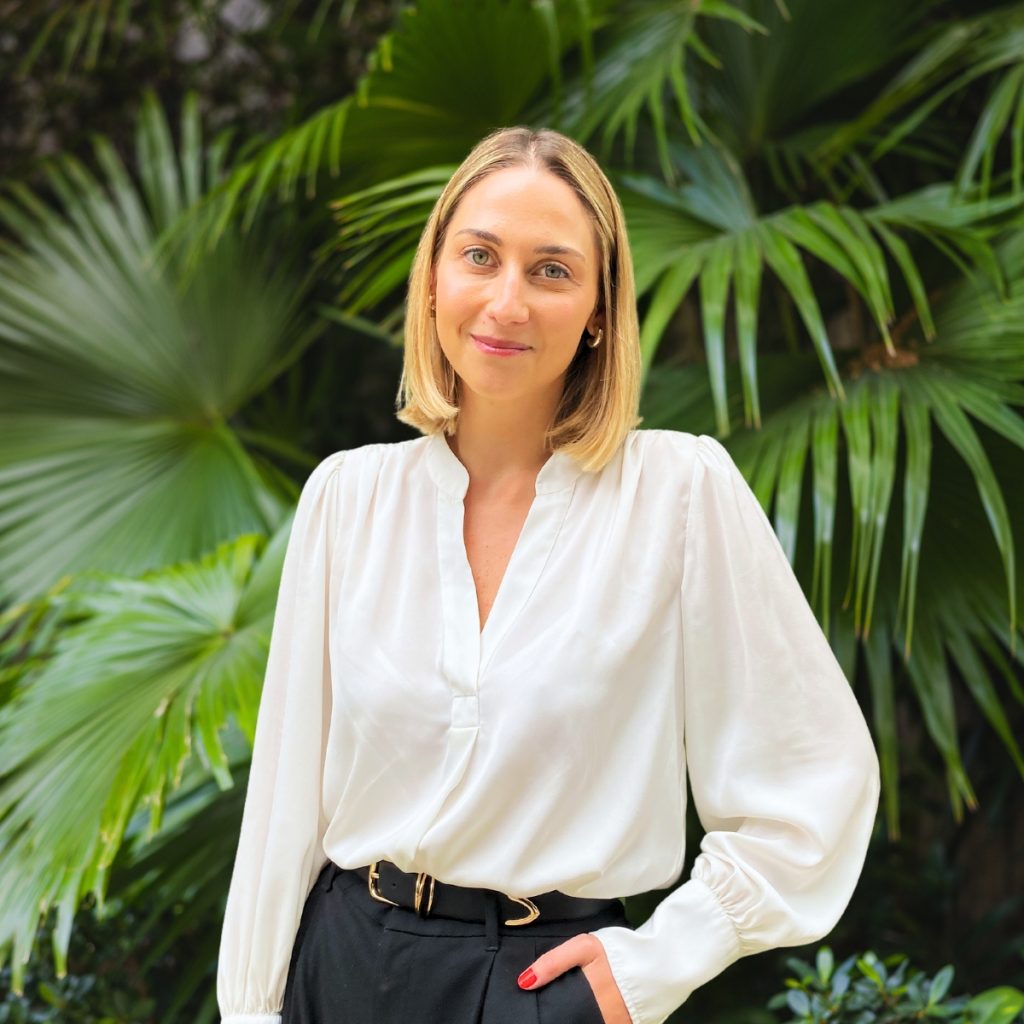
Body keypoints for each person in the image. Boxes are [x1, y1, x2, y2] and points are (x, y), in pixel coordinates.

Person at [216, 126, 880, 1024]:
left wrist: (658, 963)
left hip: (544, 984)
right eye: (479, 256)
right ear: (433, 279)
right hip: (342, 965)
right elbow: (282, 805)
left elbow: (816, 779)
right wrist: (252, 1009)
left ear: (600, 308)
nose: (507, 302)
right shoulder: (347, 497)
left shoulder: (680, 493)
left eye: (552, 270)